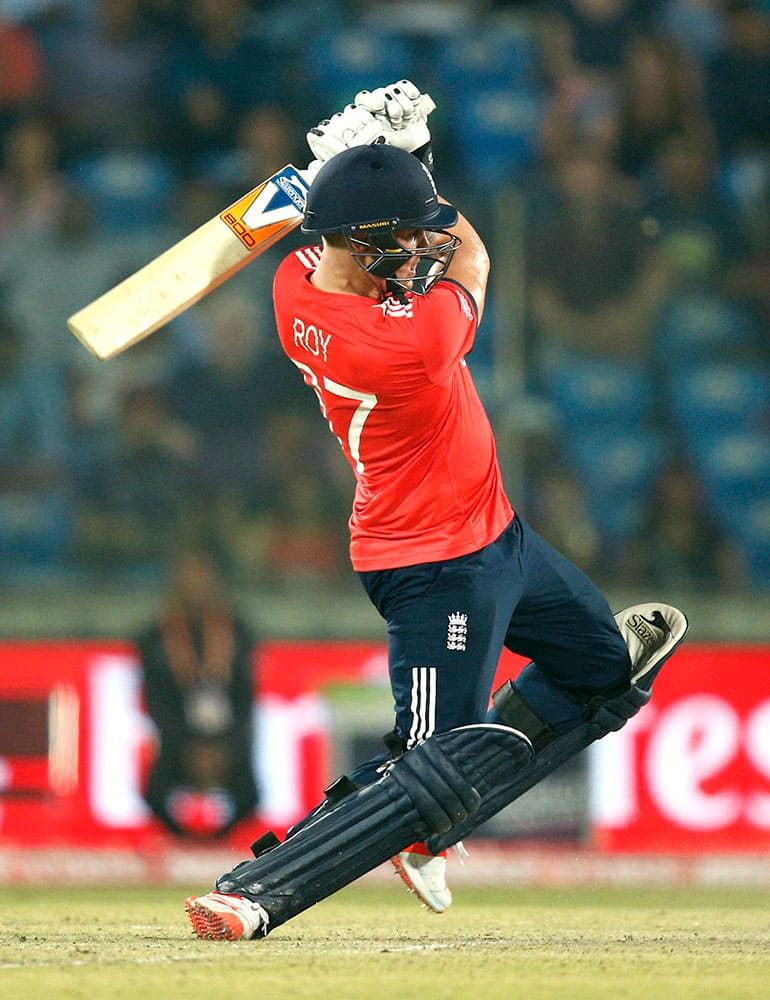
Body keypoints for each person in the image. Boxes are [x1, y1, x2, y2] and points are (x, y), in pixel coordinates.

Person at [185, 81, 688, 940]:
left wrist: (381, 168)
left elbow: (370, 227)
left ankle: (434, 831)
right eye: (406, 232)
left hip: (500, 537)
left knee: (606, 673)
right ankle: (259, 888)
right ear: (366, 238)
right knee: (429, 760)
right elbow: (474, 258)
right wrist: (416, 158)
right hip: (429, 565)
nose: (423, 241)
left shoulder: (296, 283)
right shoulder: (406, 345)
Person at [137, 546, 259, 838]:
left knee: (250, 793)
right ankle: (182, 841)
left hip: (226, 740)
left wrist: (225, 746)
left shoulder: (236, 632)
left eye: (202, 578)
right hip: (179, 740)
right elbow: (155, 701)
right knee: (153, 791)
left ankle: (221, 842)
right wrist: (186, 747)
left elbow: (246, 698)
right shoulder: (156, 636)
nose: (196, 587)